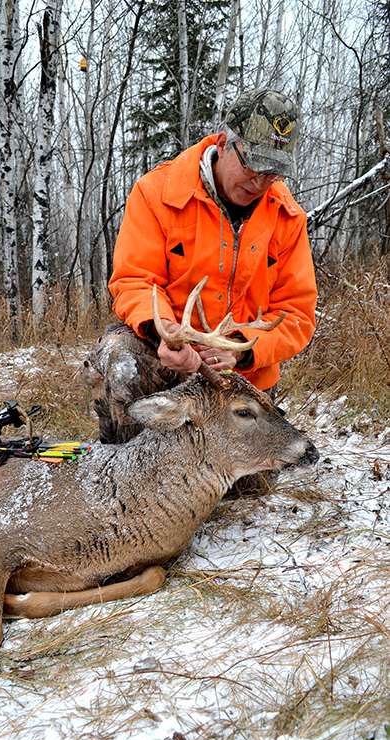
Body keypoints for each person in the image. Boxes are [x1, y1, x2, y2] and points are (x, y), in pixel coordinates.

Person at [84, 88, 317, 464]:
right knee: (121, 356)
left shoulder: (288, 218)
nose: (259, 182)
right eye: (252, 166)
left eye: (272, 172)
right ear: (224, 143)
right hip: (166, 357)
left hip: (239, 375)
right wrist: (164, 332)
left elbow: (297, 317)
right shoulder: (157, 193)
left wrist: (242, 348)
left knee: (250, 490)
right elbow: (133, 281)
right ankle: (122, 467)